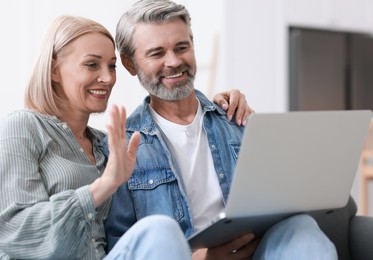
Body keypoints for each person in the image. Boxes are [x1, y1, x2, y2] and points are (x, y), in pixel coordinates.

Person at [0, 15, 250, 260]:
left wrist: (221, 105)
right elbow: (14, 231)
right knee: (160, 230)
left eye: (111, 66)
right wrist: (104, 184)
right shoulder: (22, 127)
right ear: (54, 70)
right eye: (92, 65)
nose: (108, 78)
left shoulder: (104, 145)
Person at [103, 0, 339, 259]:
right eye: (157, 53)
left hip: (252, 251)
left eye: (182, 47)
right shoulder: (122, 146)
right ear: (129, 63)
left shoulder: (234, 118)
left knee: (301, 227)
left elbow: (276, 203)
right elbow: (123, 246)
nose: (173, 61)